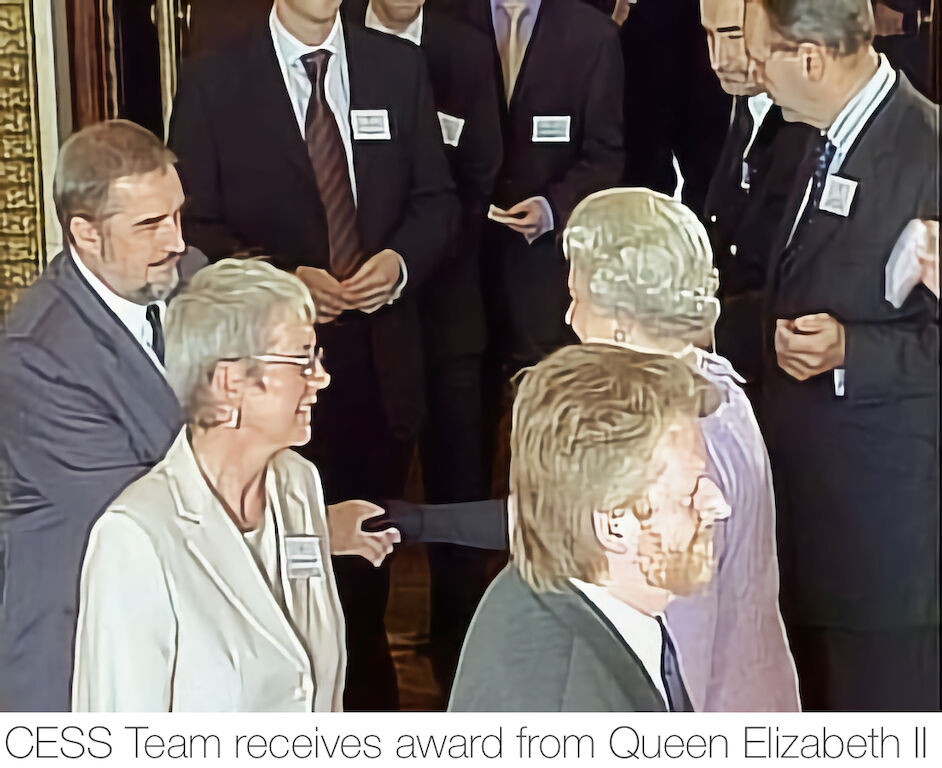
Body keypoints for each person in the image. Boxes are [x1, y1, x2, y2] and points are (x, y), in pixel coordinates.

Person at [169, 0, 457, 710]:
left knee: (362, 580)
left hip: (379, 368)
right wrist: (282, 281)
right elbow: (194, 228)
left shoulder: (398, 67)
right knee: (280, 574)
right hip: (264, 381)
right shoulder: (213, 81)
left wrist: (400, 264)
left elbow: (437, 201)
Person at [72, 259, 398, 711]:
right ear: (229, 382)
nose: (321, 377)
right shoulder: (135, 538)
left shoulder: (298, 485)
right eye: (301, 360)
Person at [745, 0, 940, 710]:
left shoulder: (929, 152)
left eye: (761, 56)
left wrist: (852, 351)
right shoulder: (813, 138)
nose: (752, 73)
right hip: (809, 520)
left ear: (810, 58)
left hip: (887, 546)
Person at [563, 187, 799, 711]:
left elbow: (680, 640)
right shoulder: (721, 387)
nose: (569, 317)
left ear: (621, 320)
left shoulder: (669, 444)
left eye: (577, 298)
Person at [0, 121, 199, 712]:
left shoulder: (190, 277)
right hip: (80, 652)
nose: (177, 241)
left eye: (177, 215)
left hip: (187, 642)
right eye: (149, 224)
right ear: (85, 234)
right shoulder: (37, 358)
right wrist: (308, 527)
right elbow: (141, 517)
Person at [345, 0, 504, 688]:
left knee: (457, 494)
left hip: (444, 318)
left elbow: (474, 181)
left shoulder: (462, 48)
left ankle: (459, 661)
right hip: (354, 329)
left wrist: (408, 263)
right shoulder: (333, 43)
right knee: (361, 499)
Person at [449, 343, 725, 711]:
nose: (717, 504)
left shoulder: (552, 589)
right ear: (614, 523)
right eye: (690, 491)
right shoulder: (567, 702)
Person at [701, 0, 815, 395]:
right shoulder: (742, 104)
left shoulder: (813, 127)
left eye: (733, 35)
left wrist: (708, 328)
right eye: (708, 35)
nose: (718, 59)